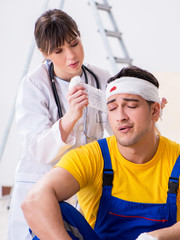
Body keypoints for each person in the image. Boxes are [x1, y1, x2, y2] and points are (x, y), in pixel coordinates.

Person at [8, 9, 168, 240]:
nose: (71, 55)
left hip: (85, 179)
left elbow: (121, 129)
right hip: (43, 178)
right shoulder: (34, 85)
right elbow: (37, 149)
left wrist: (150, 116)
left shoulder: (100, 77)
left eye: (74, 43)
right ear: (44, 53)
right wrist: (71, 117)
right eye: (59, 50)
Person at [21, 65, 180, 240]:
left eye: (131, 106)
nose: (120, 117)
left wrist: (153, 237)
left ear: (155, 111)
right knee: (54, 212)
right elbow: (33, 201)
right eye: (113, 108)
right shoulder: (93, 157)